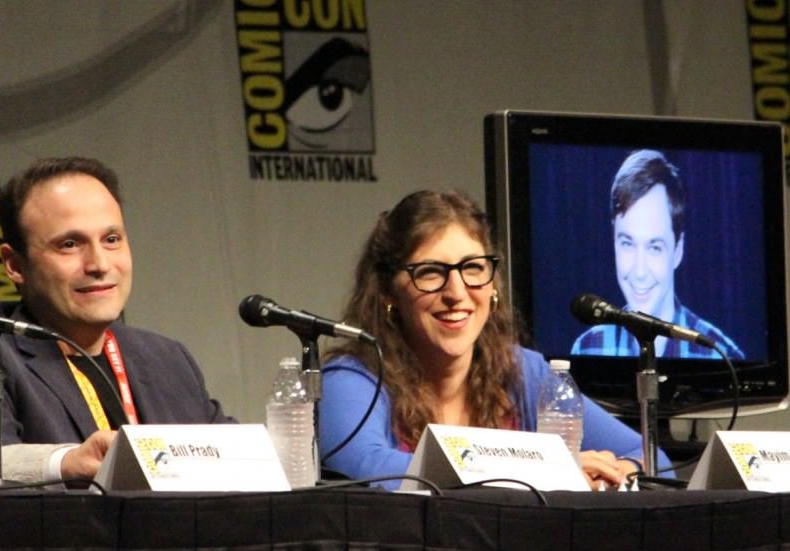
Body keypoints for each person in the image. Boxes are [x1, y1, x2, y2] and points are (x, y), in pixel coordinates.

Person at [318, 189, 669, 491]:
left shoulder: (523, 372)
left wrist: (620, 472)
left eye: (473, 269)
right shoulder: (352, 376)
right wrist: (544, 471)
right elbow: (366, 469)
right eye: (430, 272)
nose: (457, 293)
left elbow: (654, 459)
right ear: (387, 291)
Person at [0, 157, 232, 483]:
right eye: (69, 244)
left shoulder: (167, 360)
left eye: (112, 239)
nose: (99, 263)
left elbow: (237, 468)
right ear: (14, 265)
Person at [571, 149, 744, 359]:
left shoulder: (721, 355)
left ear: (678, 250)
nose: (640, 272)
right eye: (627, 243)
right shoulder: (587, 348)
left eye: (654, 247)